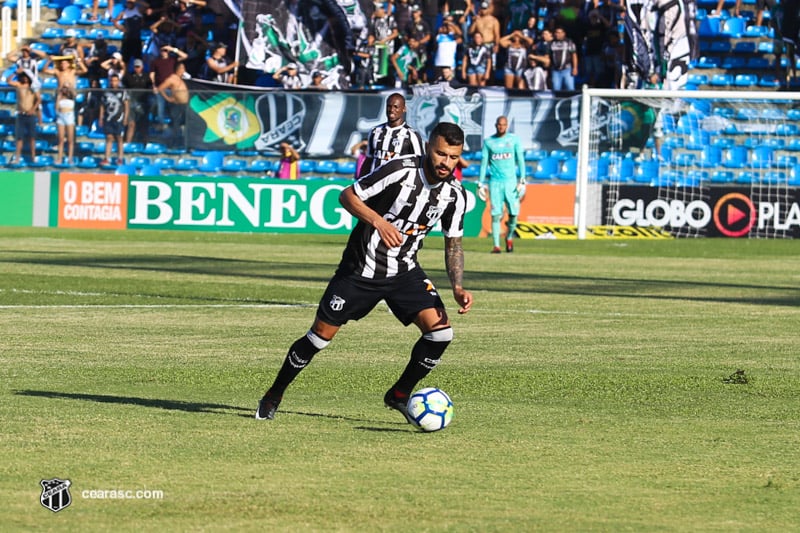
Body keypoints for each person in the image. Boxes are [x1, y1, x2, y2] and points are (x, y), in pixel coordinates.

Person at [255, 121, 473, 421]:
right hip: (359, 271)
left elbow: (454, 244)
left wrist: (458, 287)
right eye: (441, 154)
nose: (446, 162)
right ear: (428, 148)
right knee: (319, 337)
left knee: (441, 334)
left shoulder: (456, 195)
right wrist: (379, 222)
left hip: (405, 272)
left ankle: (399, 395)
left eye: (452, 157)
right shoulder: (400, 170)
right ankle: (273, 394)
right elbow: (348, 196)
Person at [478, 115, 526, 253]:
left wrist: (523, 179)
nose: (501, 127)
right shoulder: (489, 142)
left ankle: (509, 236)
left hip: (510, 182)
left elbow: (520, 159)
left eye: (504, 125)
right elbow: (483, 163)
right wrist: (480, 183)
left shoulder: (513, 140)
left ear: (507, 125)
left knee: (513, 214)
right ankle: (496, 245)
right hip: (495, 183)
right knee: (495, 214)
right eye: (499, 124)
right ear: (495, 125)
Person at [359, 92, 425, 178]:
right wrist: (360, 181)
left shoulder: (412, 135)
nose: (391, 110)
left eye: (396, 107)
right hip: (374, 185)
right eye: (389, 106)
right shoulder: (375, 131)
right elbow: (369, 160)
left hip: (397, 186)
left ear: (404, 109)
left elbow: (420, 163)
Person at [8, 71, 42, 165]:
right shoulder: (19, 85)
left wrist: (33, 109)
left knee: (32, 138)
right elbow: (8, 81)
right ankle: (17, 158)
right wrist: (15, 73)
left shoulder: (33, 87)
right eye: (23, 77)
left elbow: (39, 99)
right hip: (20, 114)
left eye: (26, 77)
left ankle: (33, 157)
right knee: (19, 138)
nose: (25, 78)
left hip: (30, 114)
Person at [99, 73, 130, 166]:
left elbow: (126, 105)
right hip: (108, 118)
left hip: (119, 118)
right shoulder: (106, 92)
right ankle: (106, 158)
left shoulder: (123, 92)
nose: (113, 82)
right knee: (109, 138)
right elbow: (102, 106)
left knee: (119, 138)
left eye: (115, 80)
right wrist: (101, 117)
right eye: (112, 81)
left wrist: (125, 117)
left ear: (118, 81)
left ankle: (119, 158)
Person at [156, 62, 189, 149]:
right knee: (175, 125)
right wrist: (168, 98)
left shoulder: (182, 79)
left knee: (185, 124)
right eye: (183, 68)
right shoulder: (171, 79)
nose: (184, 70)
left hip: (184, 105)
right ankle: (174, 144)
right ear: (179, 69)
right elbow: (160, 89)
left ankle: (184, 143)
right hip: (176, 105)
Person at [122, 58, 153, 143]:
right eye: (135, 67)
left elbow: (151, 87)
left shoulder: (146, 77)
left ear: (142, 67)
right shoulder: (128, 76)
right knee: (131, 124)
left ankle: (145, 143)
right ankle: (128, 143)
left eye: (138, 67)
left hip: (143, 103)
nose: (137, 69)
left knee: (143, 124)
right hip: (131, 103)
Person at [548, 25, 578, 91]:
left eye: (559, 33)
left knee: (570, 89)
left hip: (567, 70)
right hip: (555, 70)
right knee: (556, 89)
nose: (557, 34)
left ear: (563, 33)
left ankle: (573, 101)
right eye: (556, 32)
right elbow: (549, 56)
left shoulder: (569, 42)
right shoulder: (552, 43)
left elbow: (574, 55)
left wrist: (575, 68)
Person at [54, 85, 77, 165]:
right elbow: (56, 108)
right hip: (61, 117)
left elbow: (74, 94)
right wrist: (58, 96)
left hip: (69, 117)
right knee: (61, 140)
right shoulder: (59, 98)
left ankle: (70, 158)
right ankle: (59, 158)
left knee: (70, 140)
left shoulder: (72, 97)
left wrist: (69, 87)